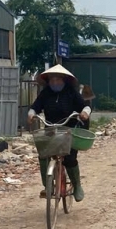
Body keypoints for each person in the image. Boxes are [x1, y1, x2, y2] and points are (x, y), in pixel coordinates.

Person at [27, 64, 91, 202]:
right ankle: (48, 186)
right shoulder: (45, 93)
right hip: (51, 129)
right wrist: (31, 114)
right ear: (48, 81)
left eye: (58, 79)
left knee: (70, 159)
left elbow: (85, 106)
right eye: (52, 80)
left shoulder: (71, 92)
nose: (55, 82)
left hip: (69, 130)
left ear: (64, 80)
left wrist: (85, 113)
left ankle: (77, 186)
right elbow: (35, 107)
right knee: (43, 155)